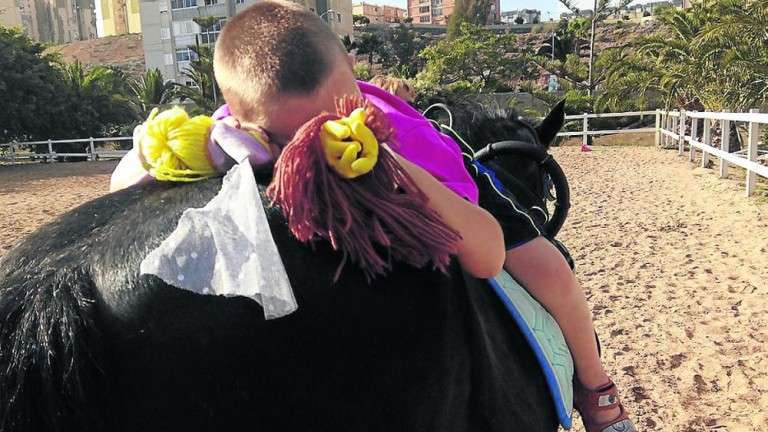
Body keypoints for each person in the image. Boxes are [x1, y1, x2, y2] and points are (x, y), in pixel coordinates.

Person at [118, 2, 635, 430]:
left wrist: (388, 162)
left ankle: (594, 386)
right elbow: (122, 188)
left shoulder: (393, 140)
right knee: (550, 268)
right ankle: (599, 395)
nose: (317, 144)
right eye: (289, 140)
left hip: (419, 162)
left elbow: (486, 253)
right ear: (238, 115)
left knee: (549, 267)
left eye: (333, 122)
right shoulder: (226, 133)